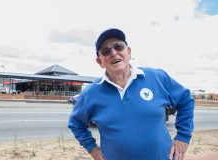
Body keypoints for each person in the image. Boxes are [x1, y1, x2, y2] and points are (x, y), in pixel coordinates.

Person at [68, 28, 194, 160]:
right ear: (99, 61)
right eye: (106, 51)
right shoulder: (90, 93)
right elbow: (76, 124)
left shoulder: (156, 77)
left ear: (128, 52)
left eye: (119, 47)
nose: (113, 53)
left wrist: (183, 138)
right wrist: (93, 149)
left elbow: (185, 100)